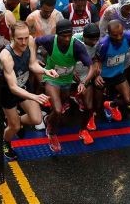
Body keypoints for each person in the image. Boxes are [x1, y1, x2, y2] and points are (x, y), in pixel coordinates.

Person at [0, 22, 59, 160]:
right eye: (20, 39)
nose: (24, 42)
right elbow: (13, 87)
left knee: (36, 119)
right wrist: (34, 97)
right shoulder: (6, 56)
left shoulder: (30, 41)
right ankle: (5, 142)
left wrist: (45, 71)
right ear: (12, 37)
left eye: (26, 37)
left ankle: (15, 121)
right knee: (14, 128)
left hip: (24, 84)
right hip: (8, 91)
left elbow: (32, 64)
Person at [35, 19, 96, 152]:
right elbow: (34, 41)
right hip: (51, 78)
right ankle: (51, 132)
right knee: (57, 110)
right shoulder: (50, 40)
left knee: (69, 108)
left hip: (67, 81)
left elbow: (91, 67)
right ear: (57, 34)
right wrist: (34, 59)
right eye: (64, 36)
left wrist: (84, 83)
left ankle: (51, 119)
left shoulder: (77, 45)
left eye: (69, 35)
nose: (67, 39)